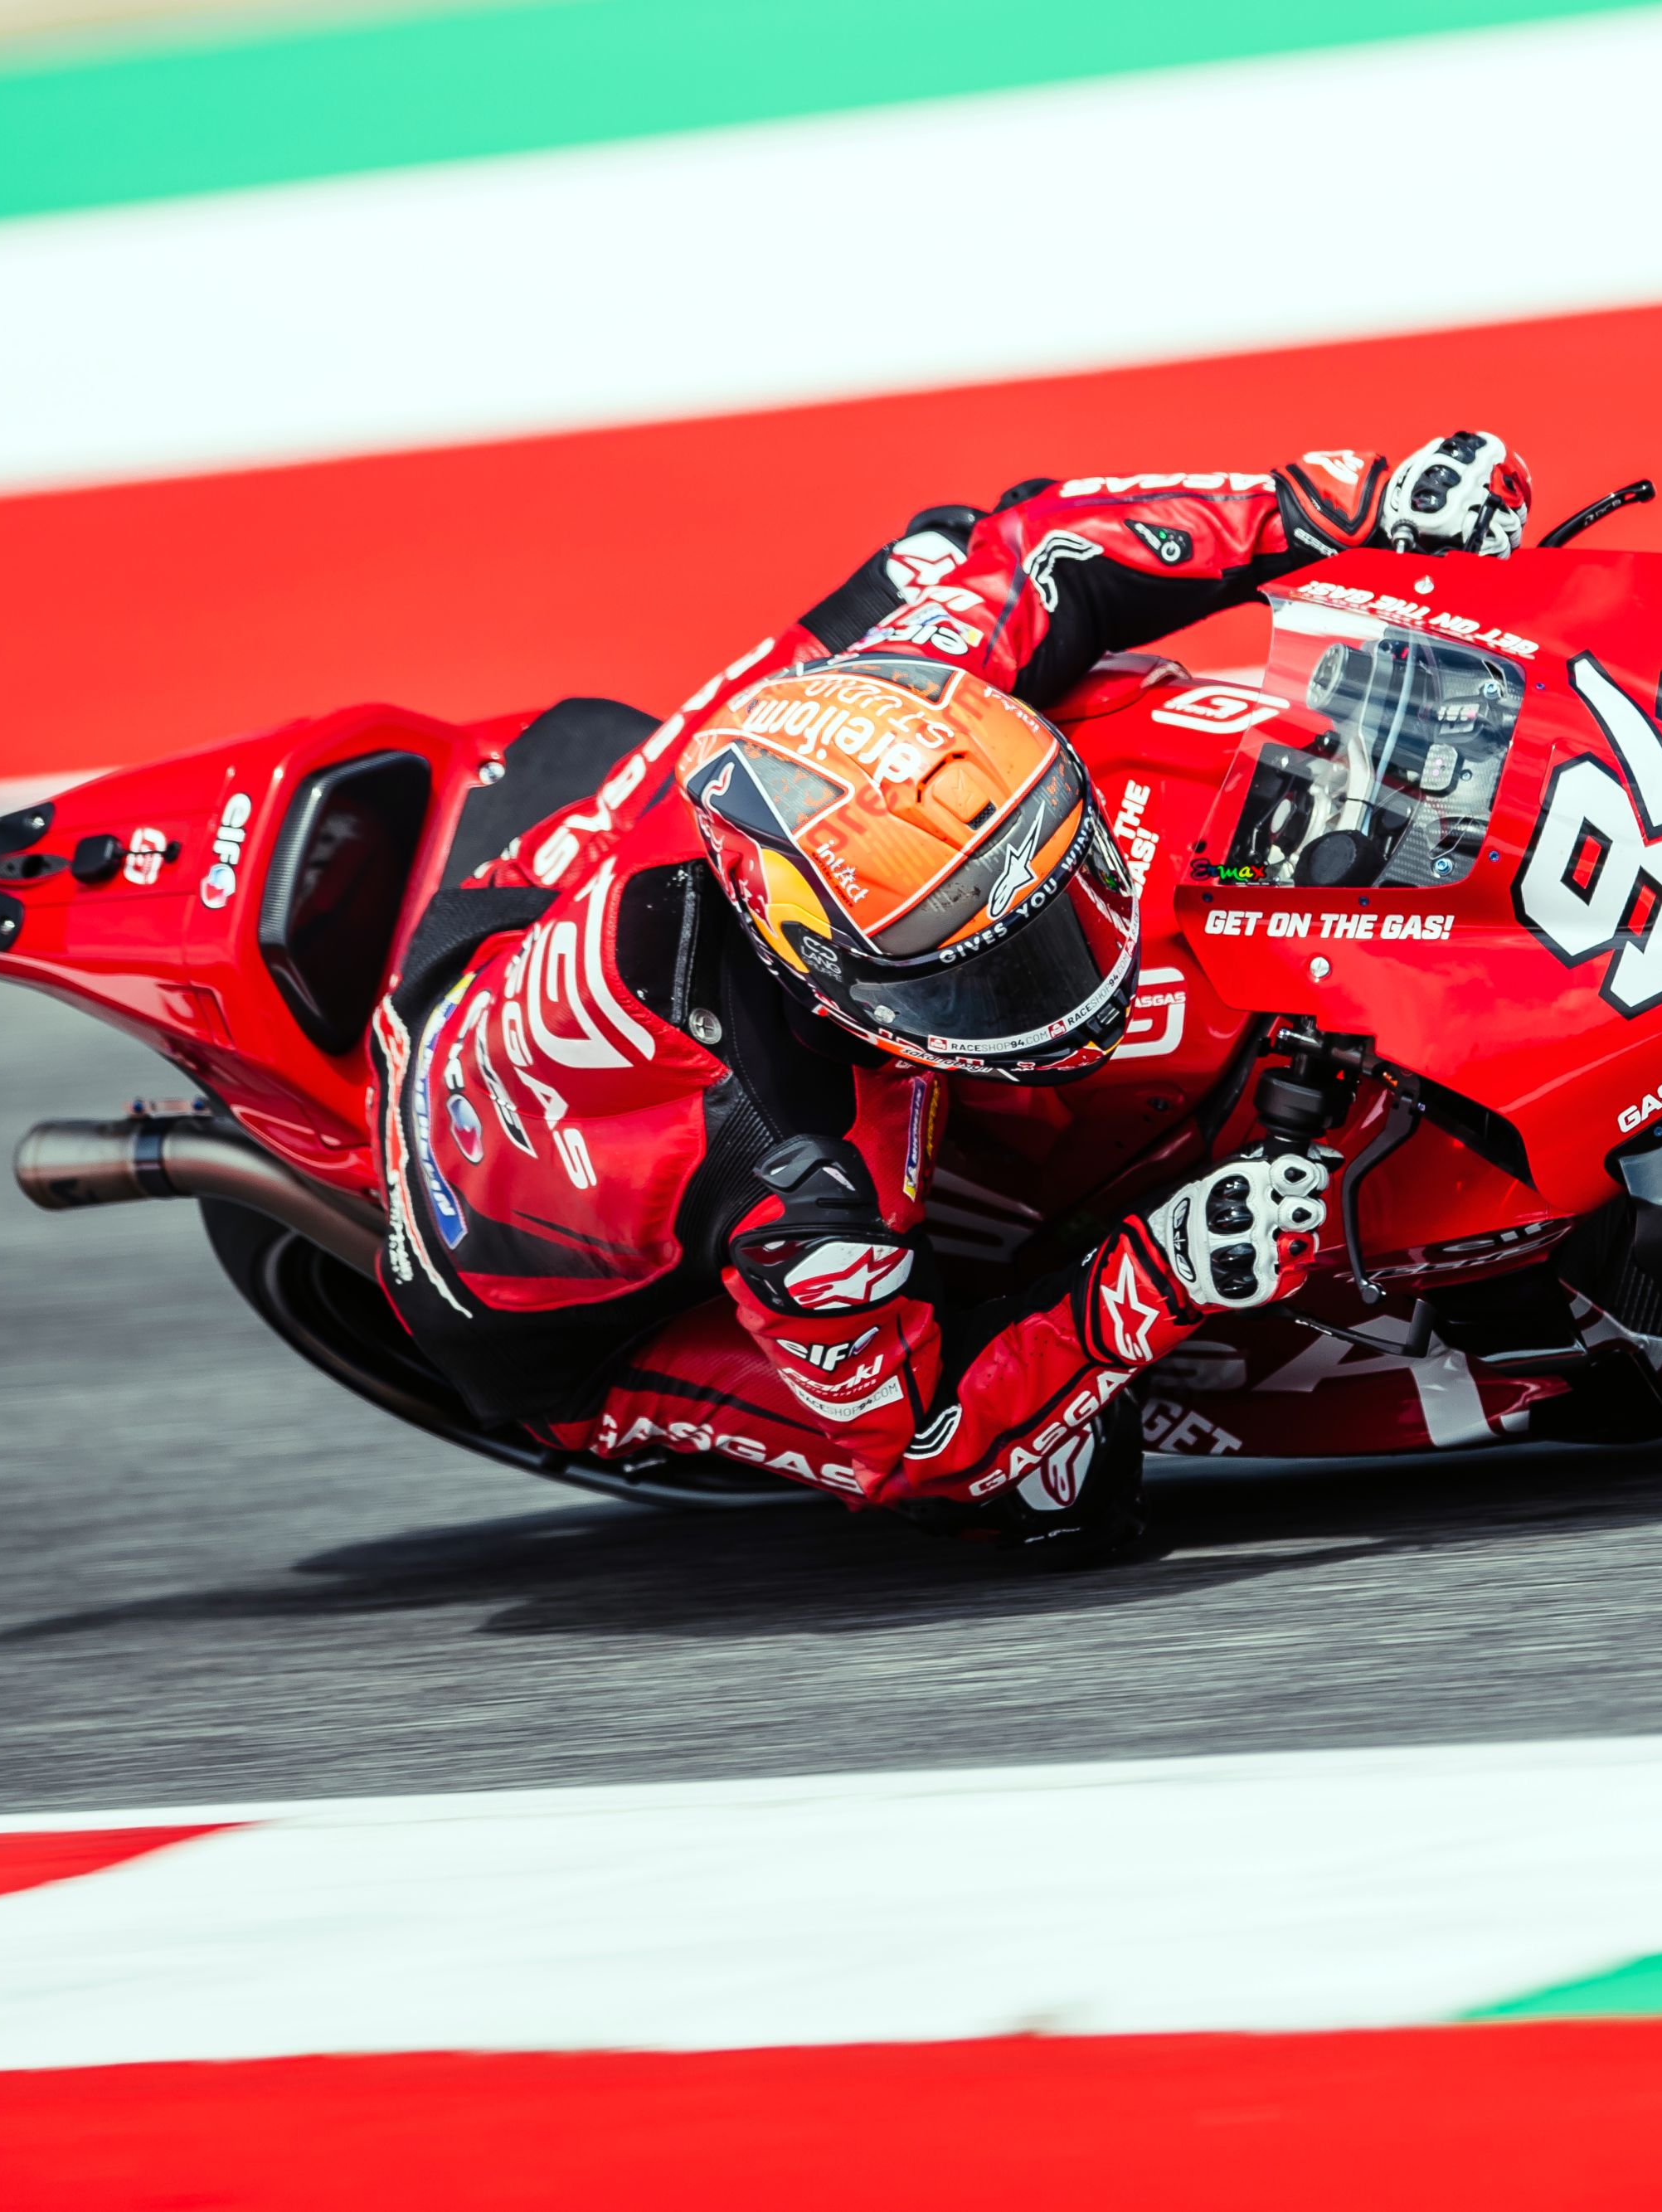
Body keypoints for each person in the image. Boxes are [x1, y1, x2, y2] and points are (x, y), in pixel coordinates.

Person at [367, 435, 1534, 1559]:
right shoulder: (808, 1190)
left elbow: (1037, 547)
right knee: (1052, 1490)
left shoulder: (875, 718)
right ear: (832, 984)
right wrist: (1161, 1275)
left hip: (495, 926)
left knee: (933, 556)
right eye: (980, 979)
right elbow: (919, 1440)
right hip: (519, 1312)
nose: (1064, 986)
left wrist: (1347, 506)